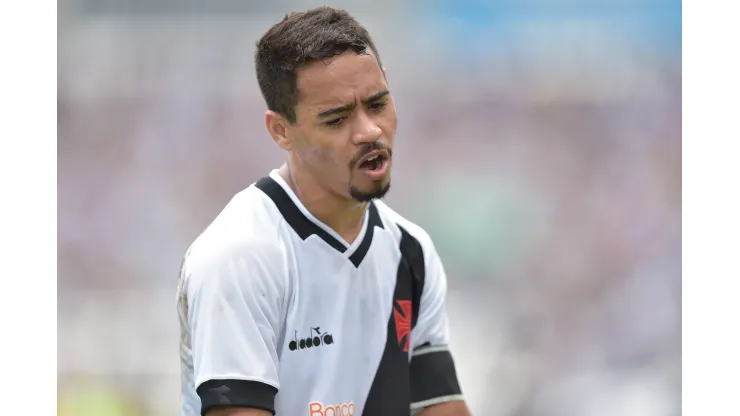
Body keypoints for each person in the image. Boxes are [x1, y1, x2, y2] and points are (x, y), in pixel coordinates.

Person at [177, 7, 470, 416]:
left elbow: (440, 406)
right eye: (336, 119)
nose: (370, 131)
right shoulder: (239, 256)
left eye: (378, 103)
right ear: (281, 130)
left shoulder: (411, 251)